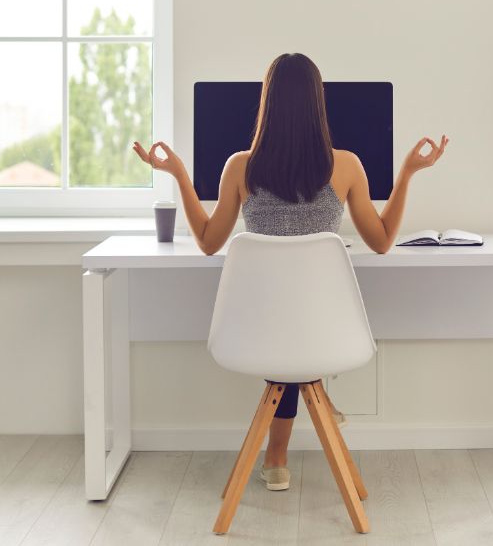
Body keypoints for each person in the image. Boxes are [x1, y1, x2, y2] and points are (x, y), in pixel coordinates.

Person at [132, 52, 448, 492]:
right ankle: (310, 393)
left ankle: (277, 456)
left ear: (267, 102)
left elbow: (206, 243)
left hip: (259, 327)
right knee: (298, 333)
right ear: (319, 103)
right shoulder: (348, 166)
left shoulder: (240, 167)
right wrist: (408, 174)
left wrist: (180, 176)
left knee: (285, 330)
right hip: (324, 329)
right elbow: (381, 241)